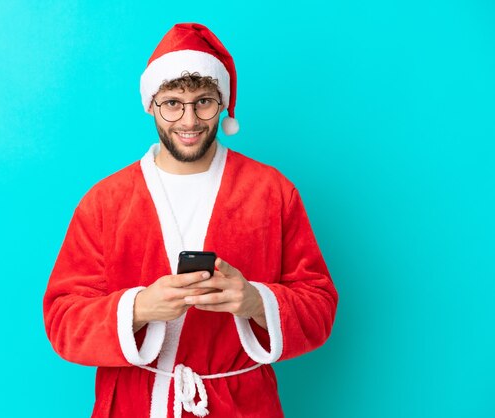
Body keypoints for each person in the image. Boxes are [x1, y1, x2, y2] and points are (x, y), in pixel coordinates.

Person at [43, 23, 338, 418]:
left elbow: (319, 303)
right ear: (151, 104)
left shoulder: (272, 192)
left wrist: (255, 301)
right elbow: (63, 318)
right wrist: (139, 307)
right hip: (136, 403)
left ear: (223, 103)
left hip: (242, 403)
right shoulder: (105, 202)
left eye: (203, 101)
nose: (189, 119)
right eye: (172, 103)